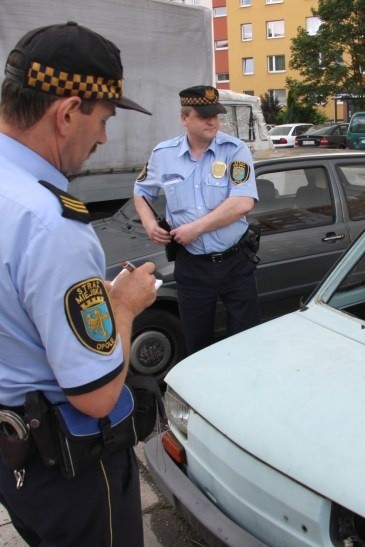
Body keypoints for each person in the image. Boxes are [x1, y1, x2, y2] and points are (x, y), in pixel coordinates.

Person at [0, 22, 157, 546]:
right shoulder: (52, 226)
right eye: (104, 118)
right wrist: (126, 305)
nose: (104, 138)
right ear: (67, 113)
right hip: (68, 468)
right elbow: (96, 395)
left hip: (15, 456)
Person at [134, 85, 260, 355]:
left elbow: (242, 202)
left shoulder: (235, 151)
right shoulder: (163, 155)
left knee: (246, 341)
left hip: (235, 263)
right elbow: (141, 192)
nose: (212, 121)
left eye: (215, 114)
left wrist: (195, 229)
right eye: (203, 115)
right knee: (196, 344)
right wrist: (149, 224)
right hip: (192, 267)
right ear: (184, 118)